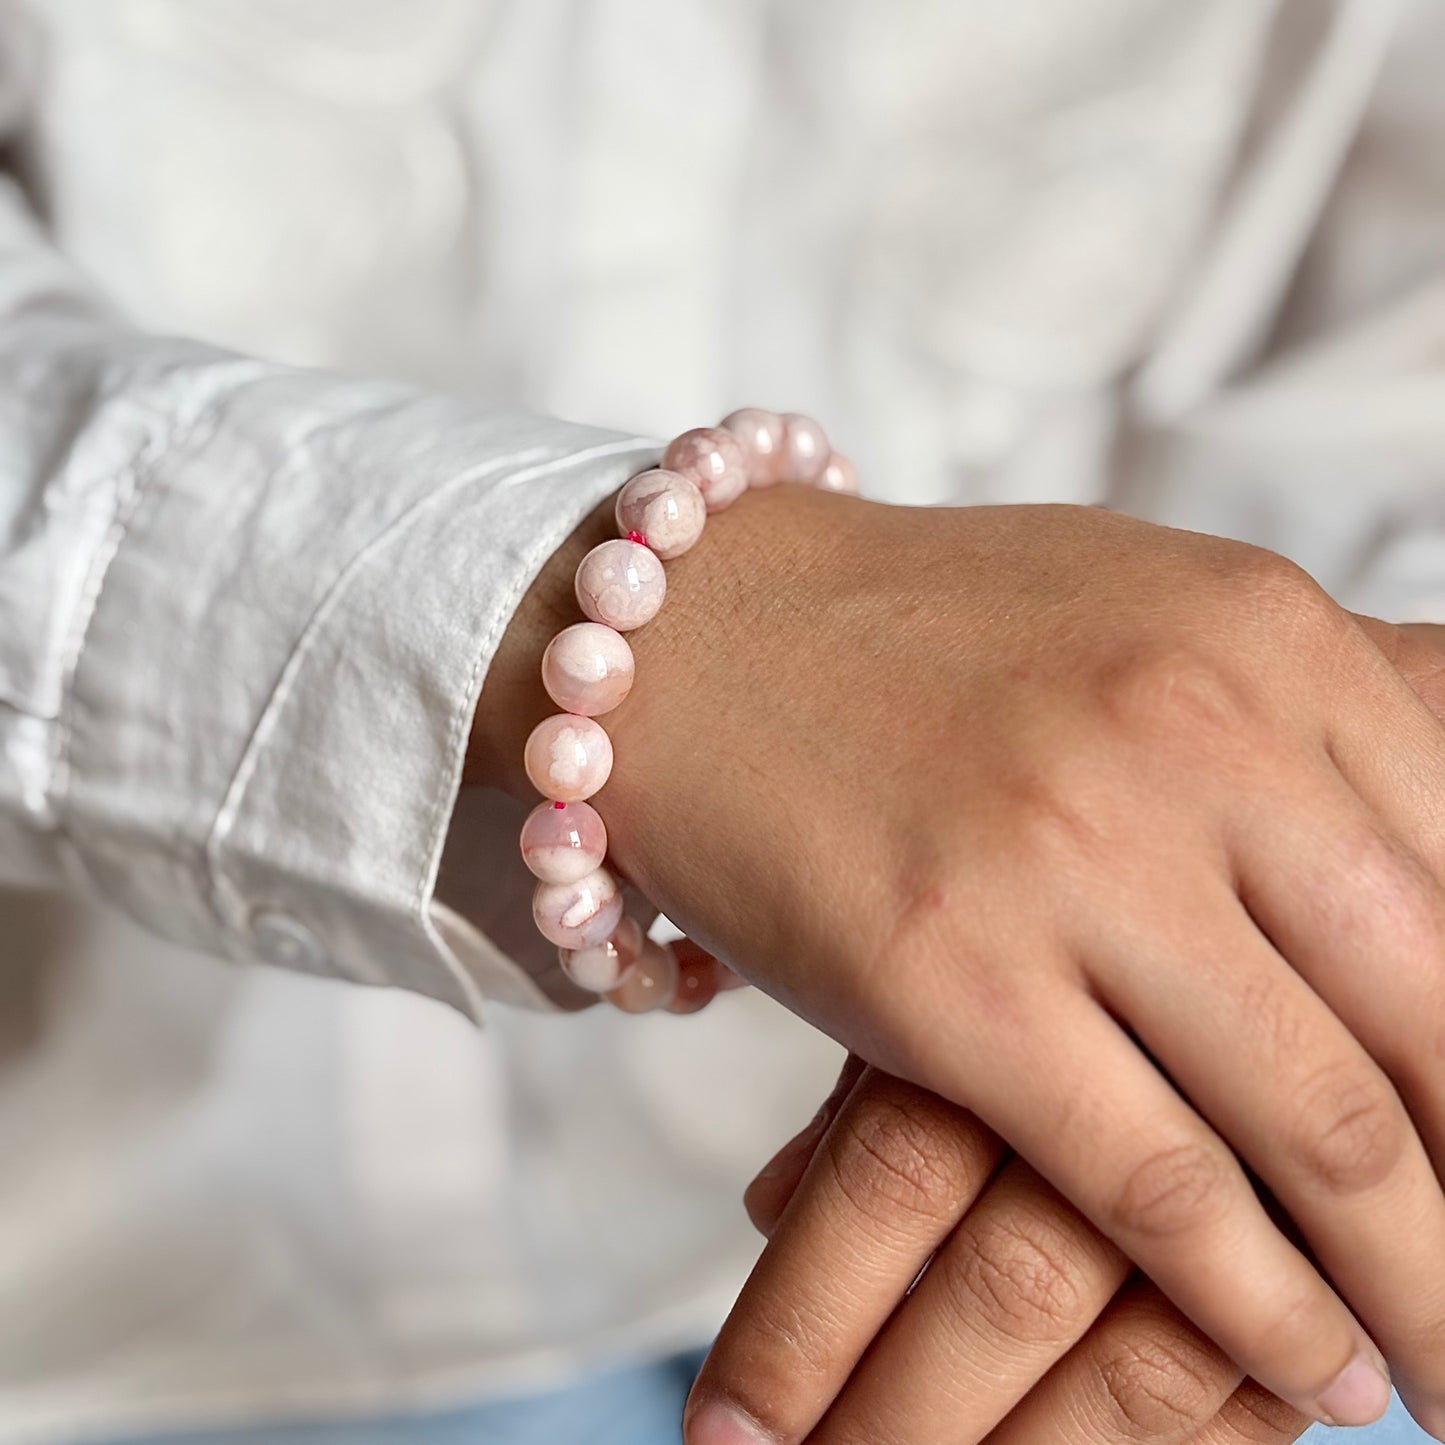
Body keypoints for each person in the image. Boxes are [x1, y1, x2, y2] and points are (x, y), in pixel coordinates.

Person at [2, 2, 1444, 1444]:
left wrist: (1289, 930)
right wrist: (620, 627)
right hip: (97, 1322)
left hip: (1121, 1243)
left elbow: (1399, 337)